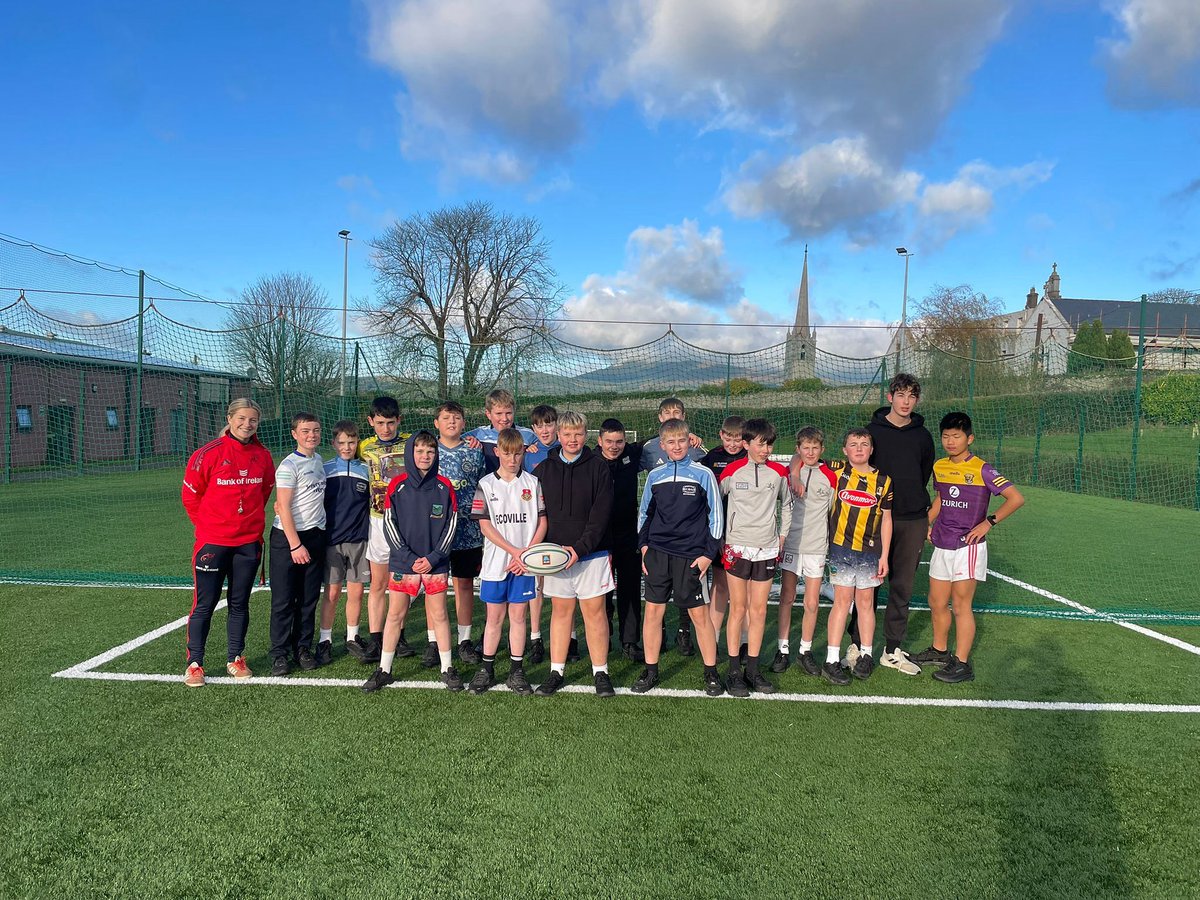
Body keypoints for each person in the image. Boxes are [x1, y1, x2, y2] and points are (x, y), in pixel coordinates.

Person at [912, 412, 1025, 683]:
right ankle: (940, 651)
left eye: (957, 436)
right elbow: (941, 498)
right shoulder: (940, 466)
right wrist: (925, 523)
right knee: (936, 602)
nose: (951, 441)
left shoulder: (983, 469)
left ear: (969, 438)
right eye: (946, 436)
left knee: (961, 605)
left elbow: (1016, 498)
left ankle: (962, 664)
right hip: (942, 543)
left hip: (968, 547)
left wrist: (989, 522)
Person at [180, 398, 275, 687]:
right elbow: (190, 496)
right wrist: (210, 527)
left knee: (239, 603)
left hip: (247, 543)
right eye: (242, 419)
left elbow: (264, 493)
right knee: (204, 604)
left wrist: (244, 523)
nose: (247, 424)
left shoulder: (263, 455)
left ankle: (236, 657)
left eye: (253, 420)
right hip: (213, 543)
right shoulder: (207, 453)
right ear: (230, 418)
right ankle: (195, 663)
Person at [362, 431, 462, 693]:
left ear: (436, 454)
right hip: (403, 564)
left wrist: (433, 558)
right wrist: (408, 558)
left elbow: (451, 526)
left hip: (435, 564)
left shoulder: (444, 486)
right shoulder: (397, 485)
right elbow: (389, 524)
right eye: (419, 451)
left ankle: (447, 668)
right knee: (395, 614)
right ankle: (384, 669)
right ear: (410, 454)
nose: (425, 456)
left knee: (439, 614)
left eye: (430, 451)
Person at [632, 418, 725, 697]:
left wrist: (708, 554)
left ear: (689, 442)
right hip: (658, 554)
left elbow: (716, 517)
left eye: (681, 441)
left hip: (691, 557)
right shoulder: (654, 476)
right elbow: (645, 513)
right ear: (662, 445)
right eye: (670, 442)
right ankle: (650, 670)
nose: (676, 446)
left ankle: (711, 672)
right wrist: (644, 548)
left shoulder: (703, 474)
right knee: (653, 612)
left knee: (699, 616)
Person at [531, 411, 616, 698]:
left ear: (585, 434)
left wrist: (579, 550)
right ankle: (556, 670)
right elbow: (535, 513)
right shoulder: (543, 469)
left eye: (577, 434)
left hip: (591, 556)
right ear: (558, 435)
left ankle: (600, 671)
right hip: (556, 557)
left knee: (594, 613)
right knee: (561, 613)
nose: (572, 439)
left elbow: (600, 516)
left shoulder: (599, 467)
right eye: (567, 434)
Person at [864, 373, 935, 675]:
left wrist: (914, 505)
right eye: (901, 395)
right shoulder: (871, 432)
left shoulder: (923, 436)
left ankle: (892, 650)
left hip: (913, 520)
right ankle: (860, 646)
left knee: (902, 588)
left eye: (912, 396)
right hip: (875, 520)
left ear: (917, 400)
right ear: (889, 397)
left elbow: (923, 475)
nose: (906, 402)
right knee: (867, 587)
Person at [468, 428, 548, 695]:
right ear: (497, 452)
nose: (512, 459)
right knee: (494, 618)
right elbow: (484, 525)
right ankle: (487, 669)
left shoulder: (533, 483)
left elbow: (543, 522)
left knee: (518, 616)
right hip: (496, 563)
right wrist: (513, 551)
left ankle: (516, 671)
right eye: (507, 453)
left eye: (517, 453)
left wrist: (524, 554)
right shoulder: (486, 484)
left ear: (523, 452)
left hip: (524, 564)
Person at [718, 418, 792, 697]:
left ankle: (753, 669)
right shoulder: (732, 471)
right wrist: (720, 537)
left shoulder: (779, 473)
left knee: (759, 610)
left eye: (770, 444)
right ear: (746, 444)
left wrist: (782, 535)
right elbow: (714, 502)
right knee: (737, 609)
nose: (766, 449)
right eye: (761, 444)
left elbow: (788, 504)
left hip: (767, 548)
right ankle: (734, 671)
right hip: (737, 547)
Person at [821, 429, 893, 686]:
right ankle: (831, 660)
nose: (860, 448)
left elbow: (886, 518)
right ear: (845, 450)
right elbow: (802, 455)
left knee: (865, 603)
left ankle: (866, 655)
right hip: (841, 549)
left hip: (870, 552)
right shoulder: (836, 471)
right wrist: (795, 472)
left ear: (871, 449)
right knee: (841, 602)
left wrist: (884, 555)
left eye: (865, 444)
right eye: (854, 444)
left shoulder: (884, 481)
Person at [639, 397, 706, 656]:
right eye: (666, 412)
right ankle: (660, 638)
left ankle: (684, 632)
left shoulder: (697, 449)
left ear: (684, 416)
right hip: (660, 535)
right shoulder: (648, 449)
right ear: (659, 419)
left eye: (676, 412)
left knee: (687, 591)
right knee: (657, 598)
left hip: (689, 538)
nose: (670, 415)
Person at [268, 412, 328, 675]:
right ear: (294, 434)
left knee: (308, 599)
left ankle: (302, 647)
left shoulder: (318, 461)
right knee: (283, 600)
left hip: (315, 537)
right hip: (288, 539)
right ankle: (279, 653)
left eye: (315, 430)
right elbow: (282, 506)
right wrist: (295, 545)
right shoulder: (288, 466)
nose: (311, 435)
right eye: (305, 431)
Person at [774, 426, 837, 677]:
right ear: (798, 449)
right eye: (805, 448)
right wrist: (795, 473)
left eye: (815, 447)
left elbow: (832, 512)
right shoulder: (788, 475)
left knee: (812, 602)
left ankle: (805, 650)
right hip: (791, 544)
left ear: (822, 449)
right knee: (787, 598)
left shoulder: (830, 476)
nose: (810, 452)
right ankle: (783, 648)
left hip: (816, 547)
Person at [358, 396, 412, 664]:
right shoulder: (363, 447)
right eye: (380, 423)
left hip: (406, 522)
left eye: (391, 423)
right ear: (371, 422)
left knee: (401, 583)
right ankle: (376, 638)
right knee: (378, 583)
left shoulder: (412, 442)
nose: (386, 428)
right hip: (377, 521)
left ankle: (398, 636)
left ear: (399, 421)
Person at [433, 400, 486, 669]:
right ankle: (434, 641)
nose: (452, 422)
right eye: (446, 418)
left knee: (464, 584)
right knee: (436, 585)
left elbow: (484, 488)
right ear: (437, 423)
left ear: (464, 423)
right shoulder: (428, 451)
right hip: (436, 533)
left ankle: (464, 640)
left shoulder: (475, 452)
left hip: (469, 532)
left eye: (456, 417)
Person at [319, 419, 371, 665]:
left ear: (357, 442)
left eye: (351, 442)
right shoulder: (324, 468)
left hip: (360, 540)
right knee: (331, 593)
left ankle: (352, 636)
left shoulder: (367, 469)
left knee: (357, 591)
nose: (347, 447)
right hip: (332, 540)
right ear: (333, 443)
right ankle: (325, 640)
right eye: (341, 442)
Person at [596, 417, 644, 662]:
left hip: (628, 536)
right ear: (599, 441)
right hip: (599, 538)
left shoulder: (633, 455)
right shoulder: (589, 459)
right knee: (600, 592)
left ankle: (630, 642)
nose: (614, 446)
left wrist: (691, 438)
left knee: (630, 590)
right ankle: (603, 637)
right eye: (609, 441)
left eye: (619, 441)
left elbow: (660, 442)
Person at [699, 415, 746, 658]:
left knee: (745, 590)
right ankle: (713, 639)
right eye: (729, 438)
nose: (733, 444)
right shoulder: (711, 458)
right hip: (719, 532)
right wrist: (714, 536)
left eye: (738, 439)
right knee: (720, 586)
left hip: (746, 533)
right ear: (721, 435)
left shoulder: (752, 457)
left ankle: (745, 641)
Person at [522, 404, 560, 663]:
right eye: (539, 425)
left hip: (563, 524)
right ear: (533, 428)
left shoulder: (567, 448)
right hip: (536, 524)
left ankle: (570, 638)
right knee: (536, 583)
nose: (544, 430)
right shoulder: (529, 454)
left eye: (549, 424)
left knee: (563, 583)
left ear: (556, 424)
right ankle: (536, 637)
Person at [465, 389, 536, 475]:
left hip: (518, 485)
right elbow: (451, 441)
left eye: (508, 413)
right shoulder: (478, 434)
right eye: (499, 413)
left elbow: (548, 445)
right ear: (488, 414)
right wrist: (468, 440)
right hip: (488, 486)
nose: (504, 419)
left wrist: (535, 446)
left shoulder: (528, 435)